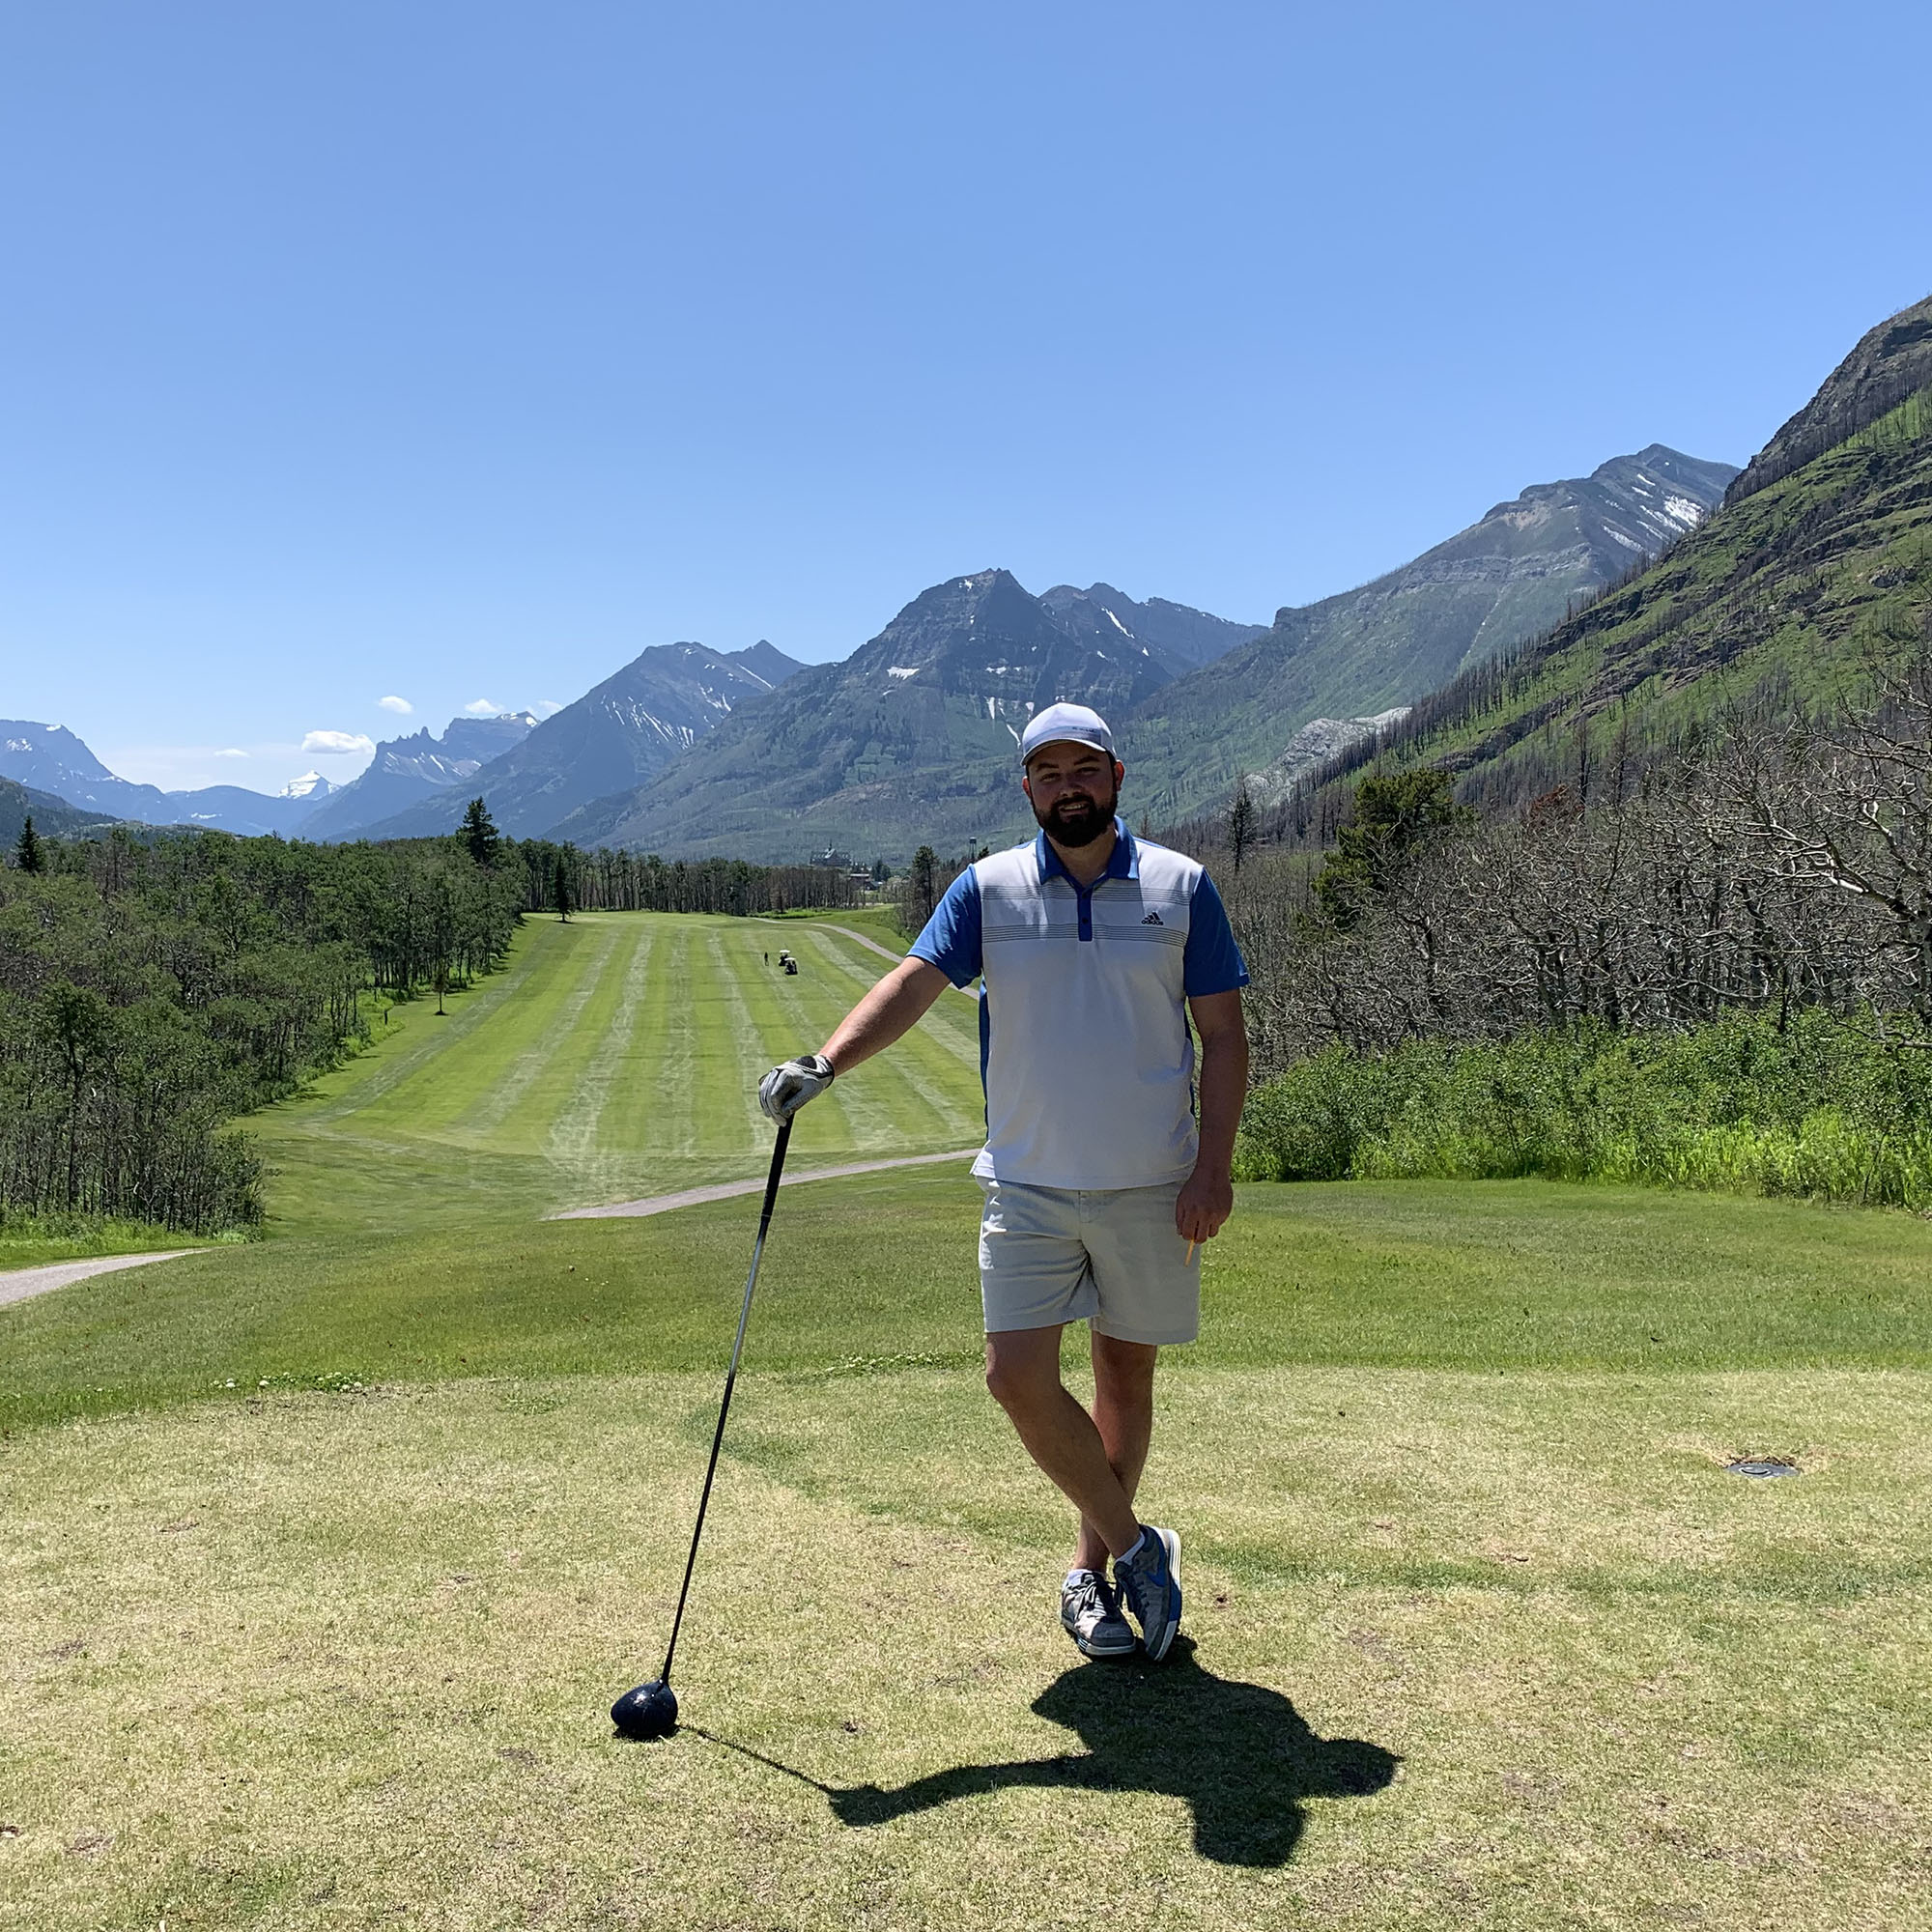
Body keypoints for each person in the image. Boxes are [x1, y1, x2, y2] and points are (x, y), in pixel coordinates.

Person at [757, 702, 1249, 1663]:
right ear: (1026, 788)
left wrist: (1213, 1166)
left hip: (1152, 1183)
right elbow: (911, 982)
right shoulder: (986, 890)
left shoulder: (1180, 885)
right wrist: (825, 1061)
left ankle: (1093, 1574)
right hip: (1024, 1180)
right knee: (1013, 1376)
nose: (1068, 785)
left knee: (1123, 1374)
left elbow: (1223, 1035)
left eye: (1084, 768)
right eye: (1048, 771)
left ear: (1114, 777)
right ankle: (1136, 1545)